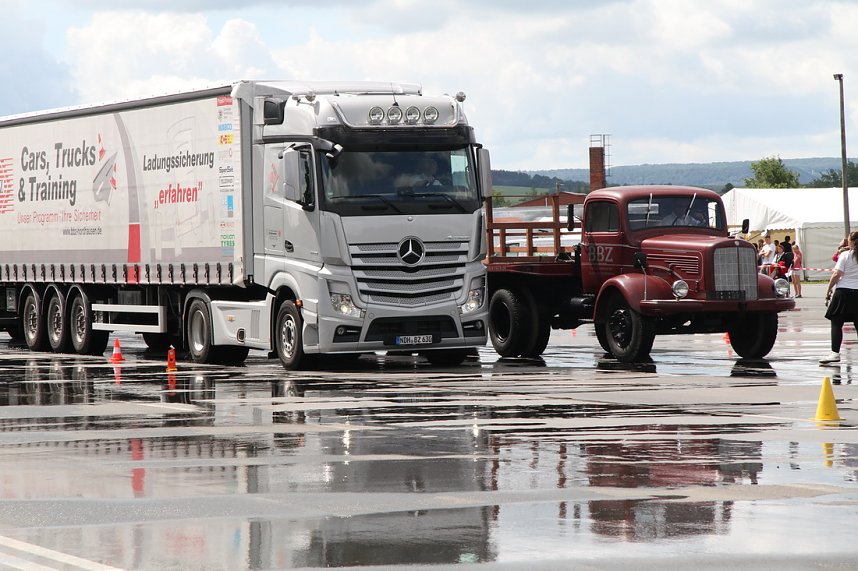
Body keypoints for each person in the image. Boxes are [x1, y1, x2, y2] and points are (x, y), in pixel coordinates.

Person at [820, 230, 858, 364]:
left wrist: (828, 289)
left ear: (851, 241)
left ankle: (835, 353)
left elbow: (837, 274)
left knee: (836, 323)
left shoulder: (845, 255)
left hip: (843, 291)